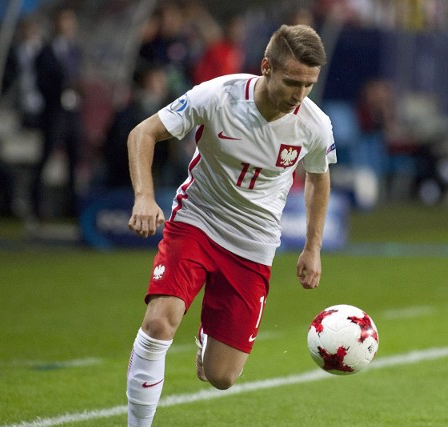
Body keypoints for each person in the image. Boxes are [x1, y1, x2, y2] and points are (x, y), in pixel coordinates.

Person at [125, 24, 336, 426]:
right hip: (197, 222)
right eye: (293, 82)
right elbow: (143, 133)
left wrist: (313, 247)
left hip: (254, 243)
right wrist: (143, 196)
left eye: (309, 84)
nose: (300, 95)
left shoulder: (314, 124)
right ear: (266, 68)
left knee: (222, 376)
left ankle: (208, 338)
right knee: (157, 323)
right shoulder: (216, 96)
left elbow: (318, 178)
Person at [32, 8, 83, 219]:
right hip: (54, 113)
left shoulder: (75, 51)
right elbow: (41, 81)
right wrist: (61, 90)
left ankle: (71, 208)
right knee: (46, 158)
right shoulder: (45, 51)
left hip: (72, 114)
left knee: (74, 160)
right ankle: (37, 206)